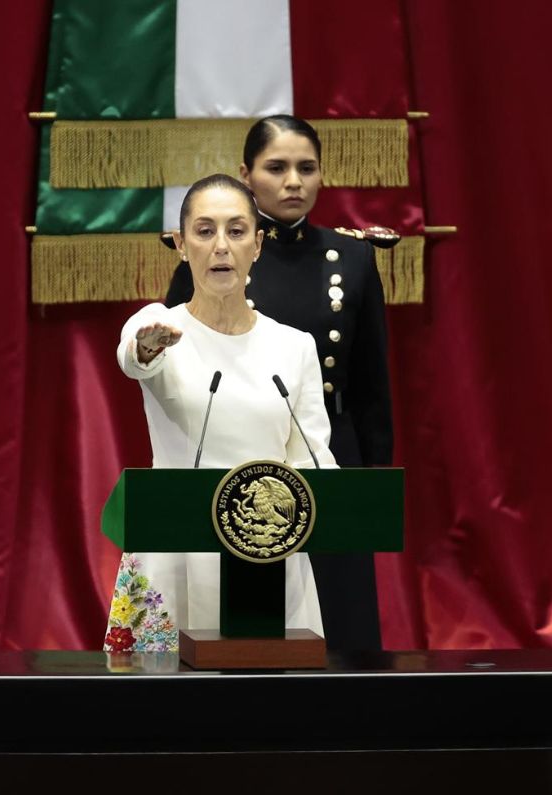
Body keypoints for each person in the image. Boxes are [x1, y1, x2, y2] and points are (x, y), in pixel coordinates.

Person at [164, 115, 392, 652]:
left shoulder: (352, 258)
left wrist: (372, 473)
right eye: (277, 167)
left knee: (341, 618)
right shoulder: (219, 256)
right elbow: (179, 365)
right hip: (238, 458)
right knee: (243, 619)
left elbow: (369, 381)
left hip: (329, 451)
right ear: (247, 175)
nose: (294, 181)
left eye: (306, 168)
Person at [103, 174, 335, 653]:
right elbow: (133, 357)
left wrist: (336, 498)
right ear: (181, 245)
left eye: (236, 231)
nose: (221, 246)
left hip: (269, 556)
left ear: (258, 244)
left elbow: (314, 460)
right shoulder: (160, 325)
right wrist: (146, 349)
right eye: (205, 231)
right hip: (174, 553)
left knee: (271, 715)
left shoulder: (294, 346)